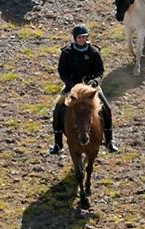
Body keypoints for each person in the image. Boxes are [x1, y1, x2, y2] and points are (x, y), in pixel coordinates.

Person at [47, 24, 116, 155]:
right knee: (57, 109)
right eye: (79, 37)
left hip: (90, 88)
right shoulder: (67, 52)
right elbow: (62, 71)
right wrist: (68, 82)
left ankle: (109, 141)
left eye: (84, 37)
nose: (82, 40)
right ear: (75, 38)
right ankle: (57, 143)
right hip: (72, 87)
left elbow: (100, 71)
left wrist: (95, 81)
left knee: (107, 109)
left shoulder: (94, 52)